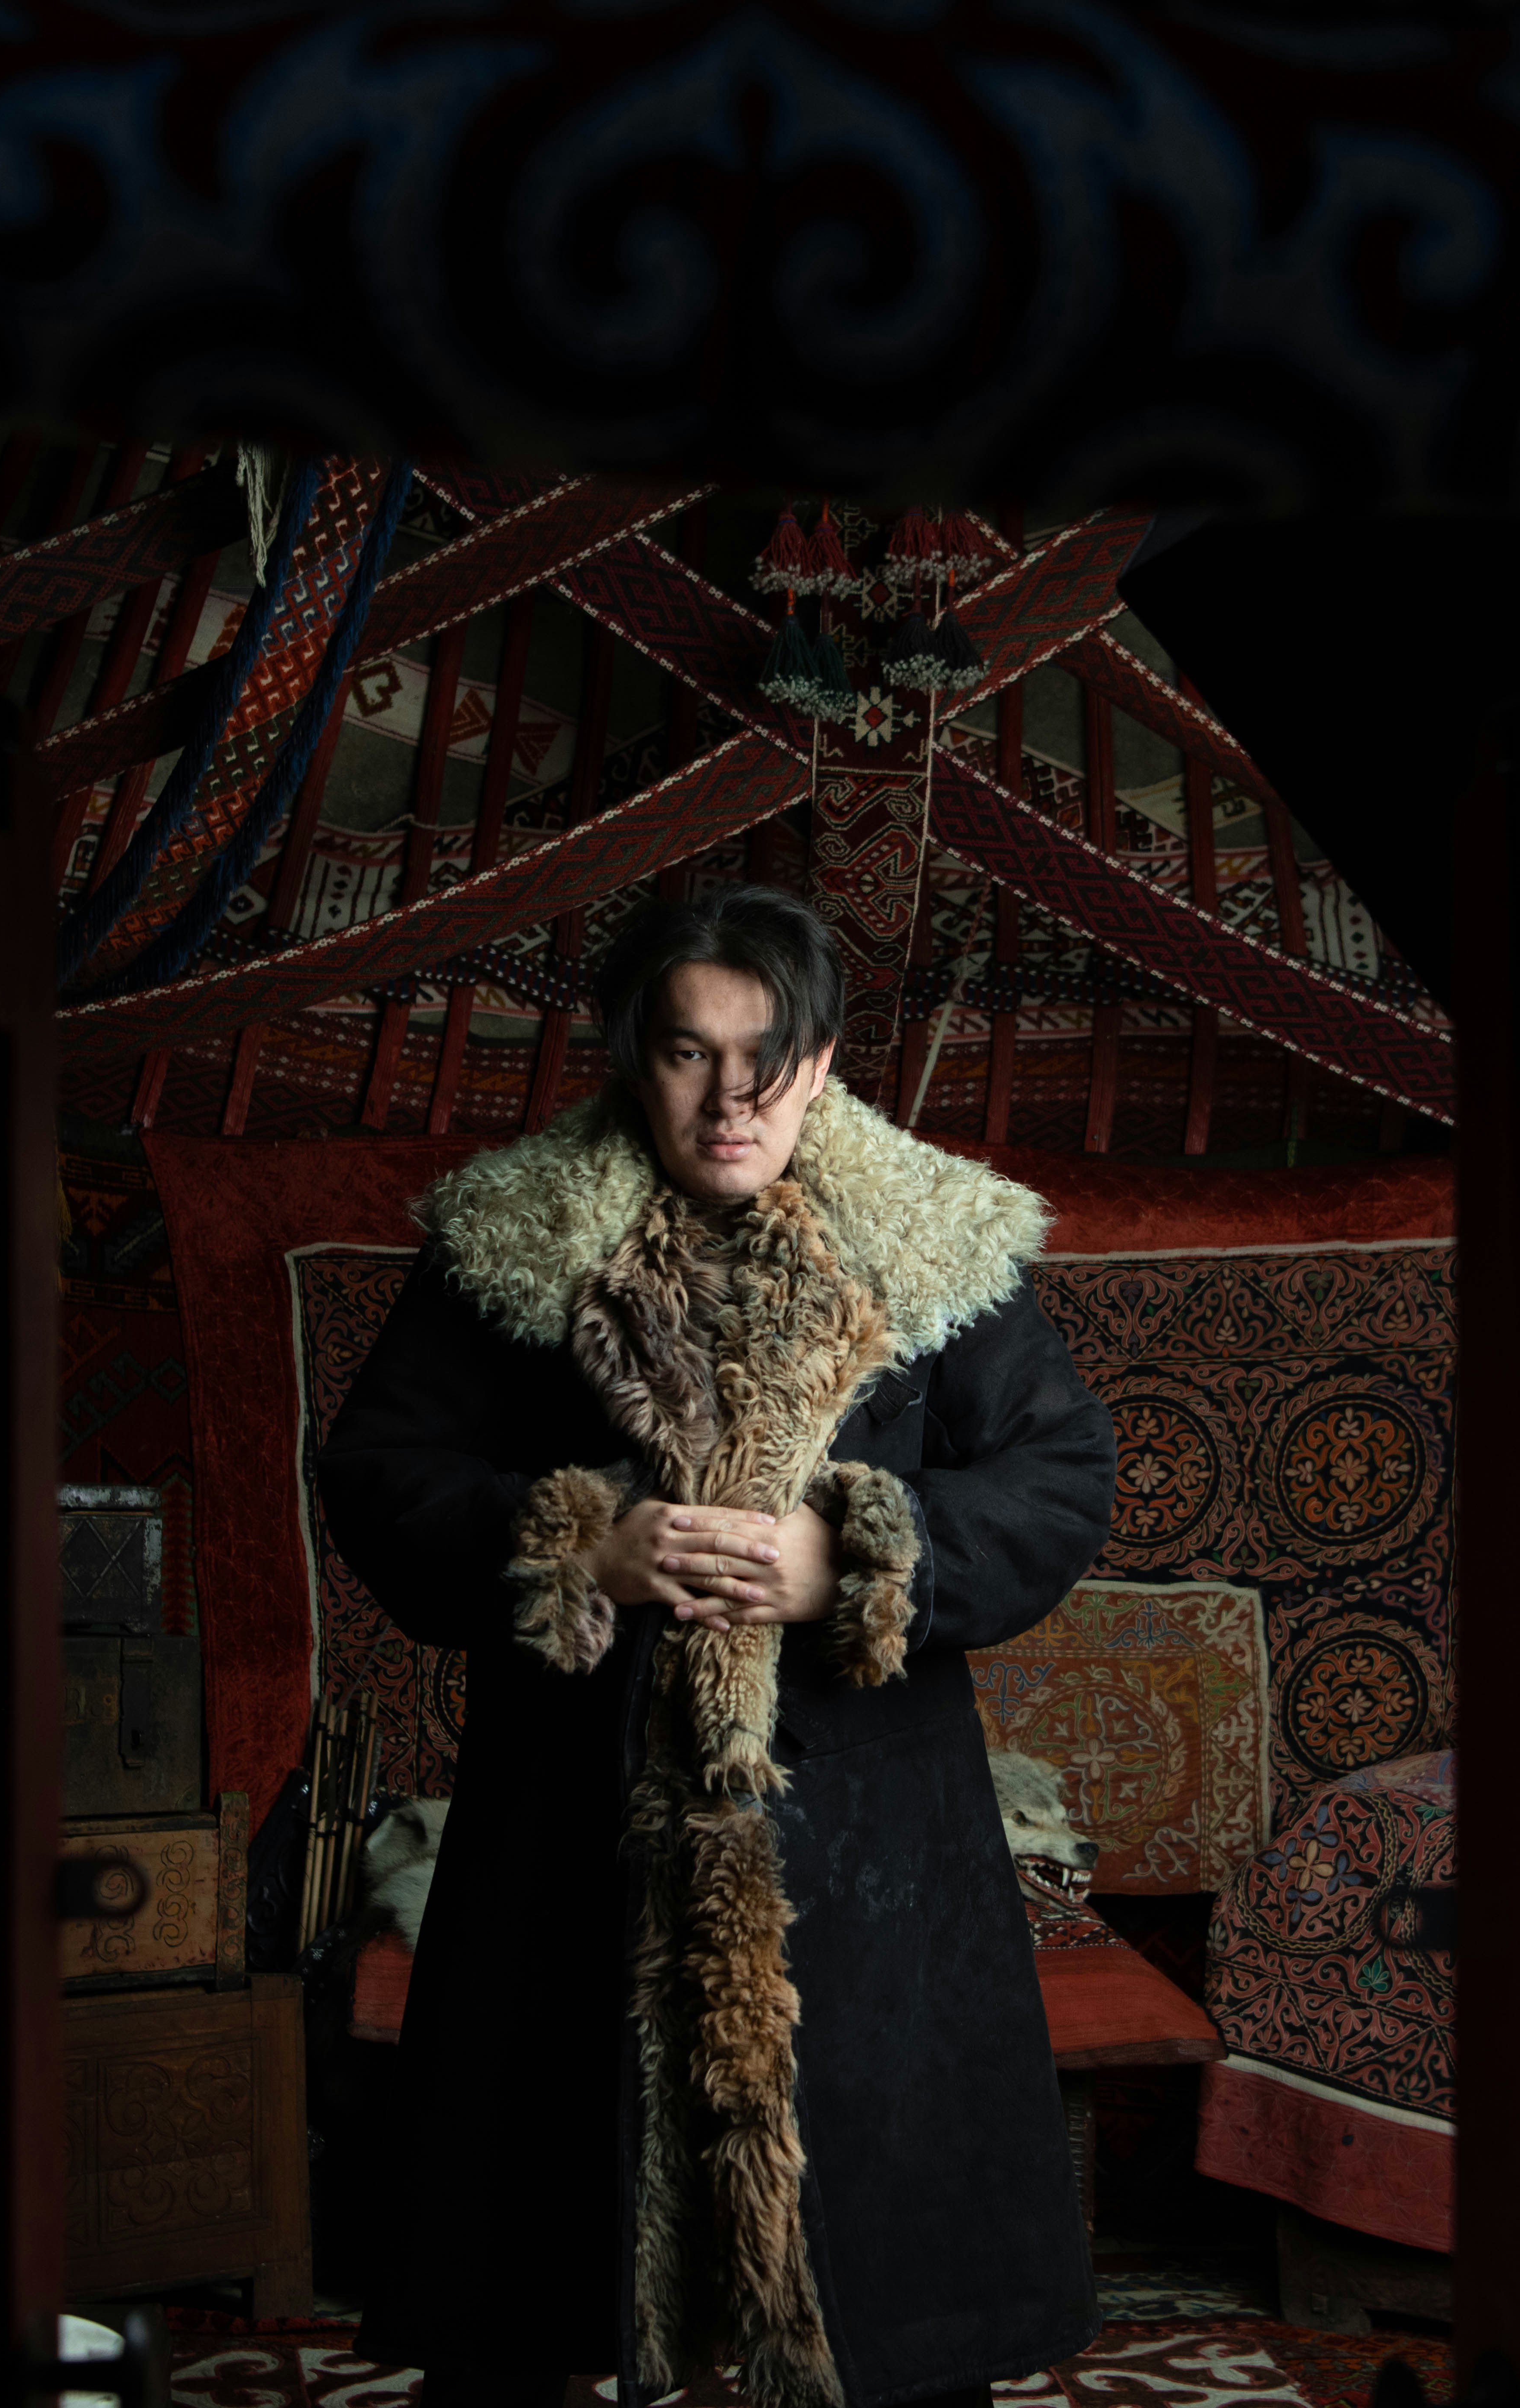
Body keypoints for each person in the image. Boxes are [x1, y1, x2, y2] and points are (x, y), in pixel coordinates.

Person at [318, 884, 1119, 2408]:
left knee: (878, 2290)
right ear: (635, 1059)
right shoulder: (512, 1241)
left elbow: (1059, 1477)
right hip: (576, 1811)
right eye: (689, 1054)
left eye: (768, 1055)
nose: (730, 1097)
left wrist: (867, 1555)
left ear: (822, 1062)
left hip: (867, 1829)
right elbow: (380, 1471)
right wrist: (575, 1544)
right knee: (539, 2279)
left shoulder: (939, 1246)